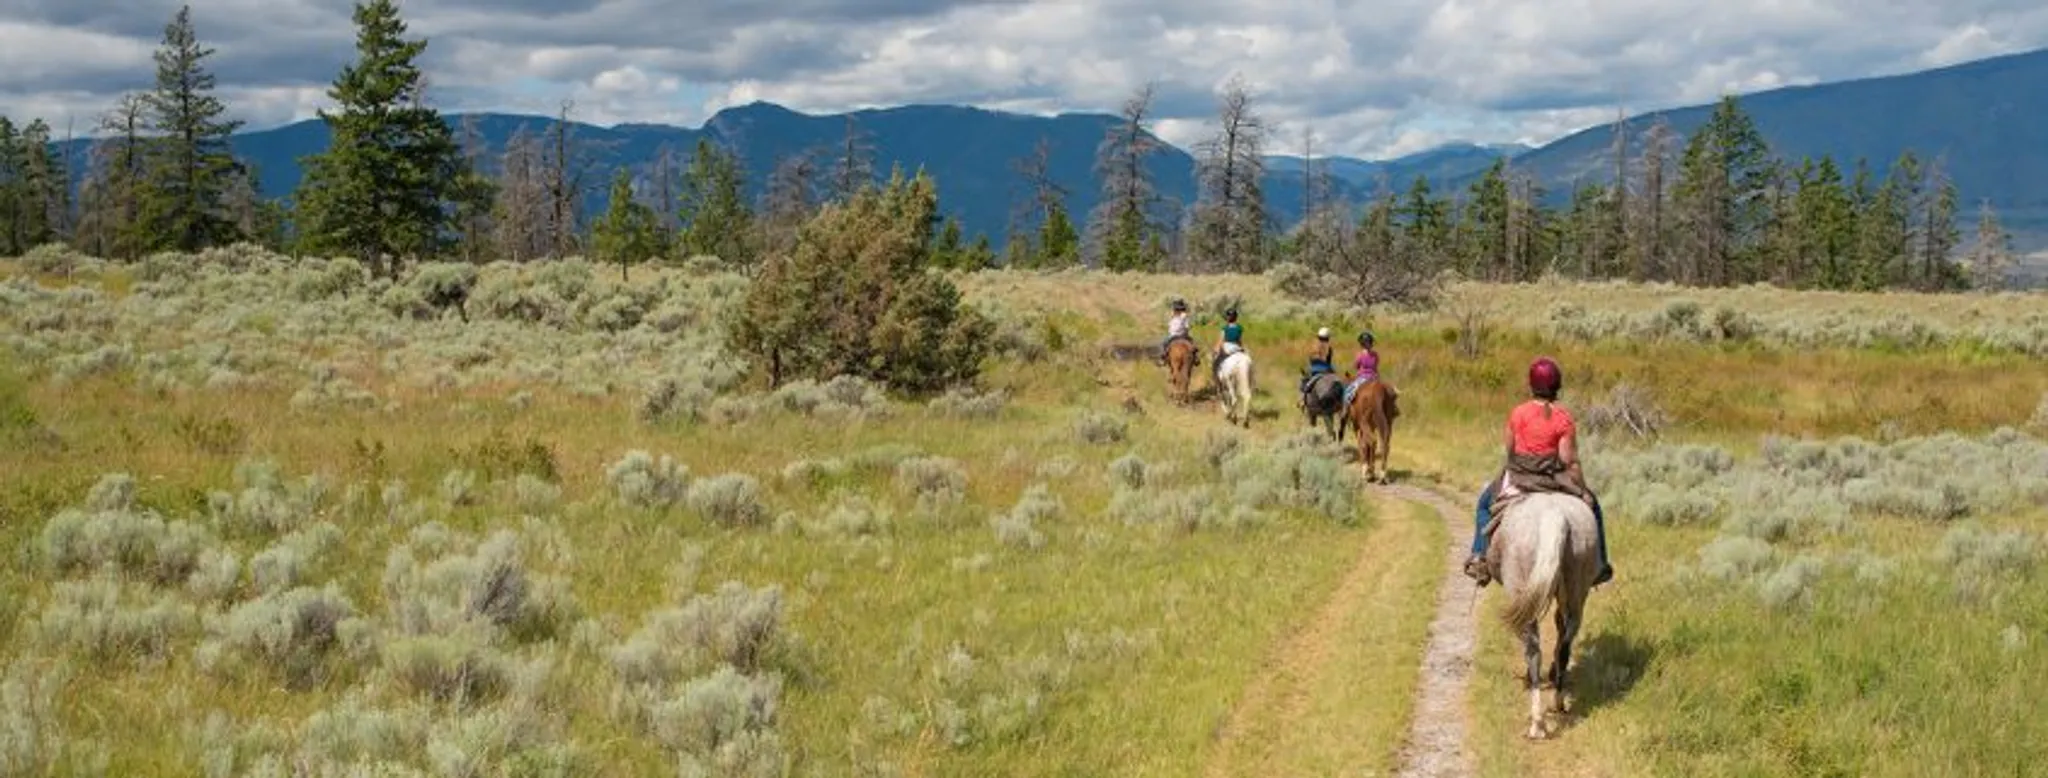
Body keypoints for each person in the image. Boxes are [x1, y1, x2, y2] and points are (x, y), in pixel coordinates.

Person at [1464, 356, 1613, 588]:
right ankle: (1600, 564)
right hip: (1555, 479)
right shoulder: (1563, 418)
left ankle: (1479, 557)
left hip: (1520, 476)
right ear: (1557, 386)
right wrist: (1583, 491)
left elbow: (1510, 449)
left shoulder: (1518, 413)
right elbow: (1569, 460)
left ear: (1531, 385)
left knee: (1484, 503)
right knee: (1594, 507)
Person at [1301, 327, 1335, 396]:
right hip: (1326, 369)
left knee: (1304, 381)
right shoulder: (1329, 348)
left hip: (1313, 369)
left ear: (1318, 337)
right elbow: (1329, 361)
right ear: (1328, 338)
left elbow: (1310, 359)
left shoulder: (1313, 346)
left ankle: (1302, 400)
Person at [1157, 299, 1192, 365]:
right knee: (1193, 344)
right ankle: (1196, 358)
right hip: (1183, 335)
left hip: (1173, 335)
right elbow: (1187, 327)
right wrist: (1186, 334)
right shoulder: (1185, 316)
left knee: (1163, 344)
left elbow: (1170, 327)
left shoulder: (1173, 316)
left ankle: (1163, 358)